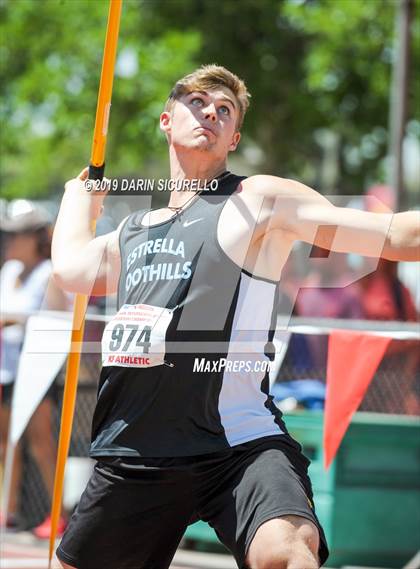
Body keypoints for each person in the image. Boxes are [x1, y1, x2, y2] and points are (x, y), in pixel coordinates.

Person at [52, 65, 419, 569]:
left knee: (287, 551)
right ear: (166, 120)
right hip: (138, 449)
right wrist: (78, 201)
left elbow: (395, 236)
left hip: (238, 443)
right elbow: (72, 269)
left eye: (224, 109)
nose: (211, 112)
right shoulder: (133, 232)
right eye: (197, 102)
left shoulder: (259, 202)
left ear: (234, 138)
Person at [0, 204, 67, 537]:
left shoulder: (49, 273)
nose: (9, 240)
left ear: (35, 237)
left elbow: (53, 320)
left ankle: (61, 515)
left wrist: (12, 320)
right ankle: (6, 512)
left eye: (16, 233)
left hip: (39, 368)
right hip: (7, 370)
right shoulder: (9, 271)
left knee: (42, 445)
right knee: (5, 444)